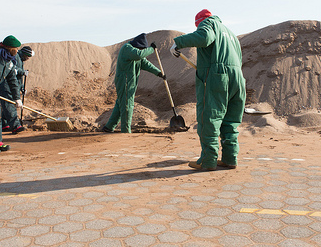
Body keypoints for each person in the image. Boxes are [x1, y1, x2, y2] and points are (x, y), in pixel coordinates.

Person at [171, 9, 246, 171]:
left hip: (218, 77)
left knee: (209, 118)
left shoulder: (208, 23)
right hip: (238, 78)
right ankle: (230, 158)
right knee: (230, 120)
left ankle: (208, 159)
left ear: (199, 23)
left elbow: (205, 38)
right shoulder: (231, 34)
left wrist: (178, 43)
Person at [102, 33, 166, 133]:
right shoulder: (127, 48)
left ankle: (109, 127)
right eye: (141, 49)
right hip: (124, 81)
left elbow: (146, 64)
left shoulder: (137, 54)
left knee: (121, 103)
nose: (141, 51)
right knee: (127, 105)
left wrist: (159, 73)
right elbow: (138, 55)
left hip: (129, 81)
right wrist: (151, 49)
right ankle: (126, 131)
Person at [0, 46, 34, 134]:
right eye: (27, 57)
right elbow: (12, 69)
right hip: (6, 85)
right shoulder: (15, 57)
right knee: (9, 105)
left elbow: (18, 78)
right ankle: (15, 126)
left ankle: (5, 124)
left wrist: (21, 87)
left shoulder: (20, 60)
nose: (28, 59)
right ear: (24, 54)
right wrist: (22, 72)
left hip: (13, 86)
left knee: (7, 106)